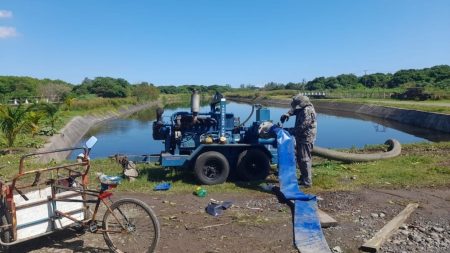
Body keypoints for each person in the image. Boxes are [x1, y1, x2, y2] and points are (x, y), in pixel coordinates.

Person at [280, 94, 317, 187]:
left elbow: (303, 127)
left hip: (306, 138)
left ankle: (307, 182)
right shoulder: (303, 109)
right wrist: (287, 114)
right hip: (301, 137)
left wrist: (289, 130)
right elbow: (295, 111)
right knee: (300, 158)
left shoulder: (308, 110)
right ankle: (303, 177)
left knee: (304, 159)